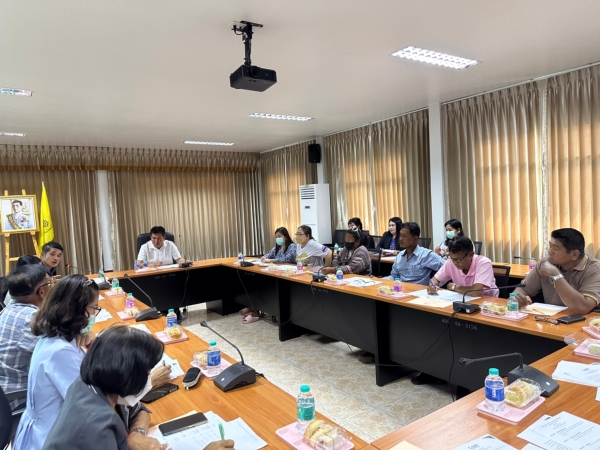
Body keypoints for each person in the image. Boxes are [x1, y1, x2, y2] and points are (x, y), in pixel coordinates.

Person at [42, 325, 233, 450]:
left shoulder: (98, 385)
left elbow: (139, 410)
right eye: (147, 371)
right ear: (127, 375)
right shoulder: (98, 426)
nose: (149, 376)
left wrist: (136, 434)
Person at [13, 274, 100, 450]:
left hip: (51, 427)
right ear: (78, 310)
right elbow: (91, 405)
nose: (94, 314)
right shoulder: (61, 352)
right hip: (52, 437)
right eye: (94, 308)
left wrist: (89, 338)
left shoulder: (55, 337)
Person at [0, 265, 52, 412]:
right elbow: (59, 355)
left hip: (5, 390)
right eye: (50, 283)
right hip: (17, 399)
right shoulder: (32, 320)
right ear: (41, 292)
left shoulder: (9, 310)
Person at [513, 228, 600, 314]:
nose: (550, 252)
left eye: (555, 248)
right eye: (550, 246)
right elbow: (523, 290)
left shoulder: (595, 270)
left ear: (574, 254)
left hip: (585, 320)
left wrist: (556, 275)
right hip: (550, 318)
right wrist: (518, 297)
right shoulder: (545, 263)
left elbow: (583, 308)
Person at [428, 236, 498, 297]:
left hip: (487, 302)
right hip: (463, 298)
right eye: (452, 258)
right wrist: (432, 286)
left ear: (471, 255)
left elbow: (475, 291)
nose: (455, 263)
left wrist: (455, 287)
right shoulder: (450, 262)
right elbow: (435, 279)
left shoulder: (484, 263)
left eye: (458, 260)